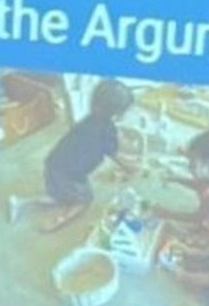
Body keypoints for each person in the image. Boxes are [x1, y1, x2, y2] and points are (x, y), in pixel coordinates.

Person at [7, 79, 135, 234]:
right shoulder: (107, 132)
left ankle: (37, 201)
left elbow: (113, 141)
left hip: (53, 166)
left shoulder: (89, 121)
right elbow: (115, 155)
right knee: (85, 198)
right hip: (67, 176)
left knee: (62, 193)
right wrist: (132, 167)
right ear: (118, 113)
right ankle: (57, 220)